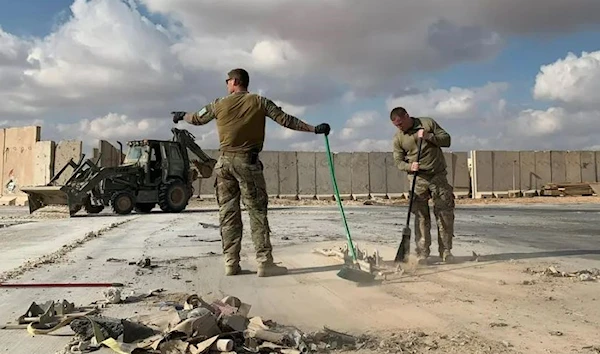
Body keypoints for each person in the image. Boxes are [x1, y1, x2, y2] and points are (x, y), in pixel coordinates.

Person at [171, 68, 331, 277]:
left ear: (236, 81)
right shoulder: (260, 102)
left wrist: (181, 115)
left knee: (228, 215)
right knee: (256, 213)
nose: (226, 84)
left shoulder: (218, 104)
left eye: (228, 81)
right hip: (248, 164)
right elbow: (286, 120)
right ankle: (264, 263)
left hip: (224, 165)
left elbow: (197, 118)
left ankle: (231, 262)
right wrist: (314, 129)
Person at [389, 106, 455, 264]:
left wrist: (429, 136)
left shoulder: (427, 123)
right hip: (417, 179)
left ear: (406, 116)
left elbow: (447, 140)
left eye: (400, 124)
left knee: (444, 214)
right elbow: (398, 161)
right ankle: (422, 253)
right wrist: (409, 166)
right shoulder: (398, 138)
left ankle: (446, 251)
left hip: (437, 175)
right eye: (396, 126)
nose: (400, 127)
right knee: (420, 217)